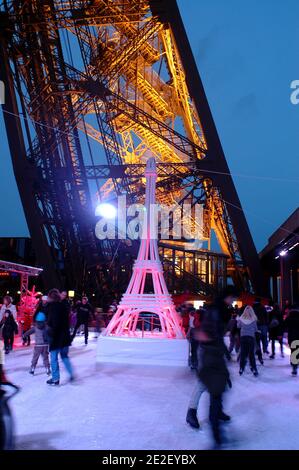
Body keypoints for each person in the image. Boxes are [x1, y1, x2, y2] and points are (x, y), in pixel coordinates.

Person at [186, 287, 238, 445]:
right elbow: (211, 333)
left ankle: (217, 411)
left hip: (213, 350)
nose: (233, 301)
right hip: (209, 352)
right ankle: (191, 412)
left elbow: (216, 334)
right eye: (232, 298)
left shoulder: (220, 309)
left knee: (219, 381)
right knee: (204, 383)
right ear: (227, 297)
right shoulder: (216, 311)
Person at [46, 289, 74, 386]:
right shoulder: (64, 306)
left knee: (53, 358)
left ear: (51, 298)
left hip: (56, 337)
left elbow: (54, 323)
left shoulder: (53, 307)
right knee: (64, 356)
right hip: (65, 336)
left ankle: (55, 378)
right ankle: (71, 373)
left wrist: (50, 334)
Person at [238, 306, 259, 376]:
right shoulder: (253, 319)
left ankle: (241, 368)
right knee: (251, 354)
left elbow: (238, 326)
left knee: (243, 353)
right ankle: (254, 369)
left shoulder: (241, 318)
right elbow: (256, 329)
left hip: (243, 337)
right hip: (251, 337)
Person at [284, 304, 299, 375]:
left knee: (293, 350)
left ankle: (294, 366)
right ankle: (296, 362)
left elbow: (285, 325)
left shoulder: (289, 317)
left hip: (292, 336)